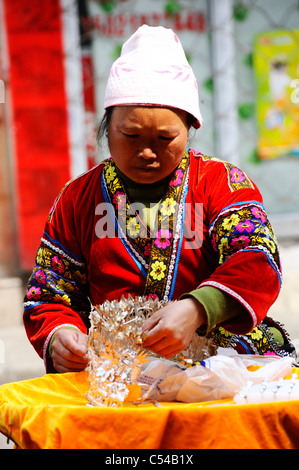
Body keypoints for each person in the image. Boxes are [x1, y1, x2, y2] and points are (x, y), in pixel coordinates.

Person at [23, 25, 293, 374]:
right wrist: (62, 335)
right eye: (130, 135)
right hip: (120, 374)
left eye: (165, 137)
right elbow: (49, 293)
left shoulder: (221, 184)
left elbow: (257, 259)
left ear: (189, 128)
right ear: (108, 127)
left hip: (224, 368)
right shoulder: (77, 199)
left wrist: (199, 309)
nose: (147, 152)